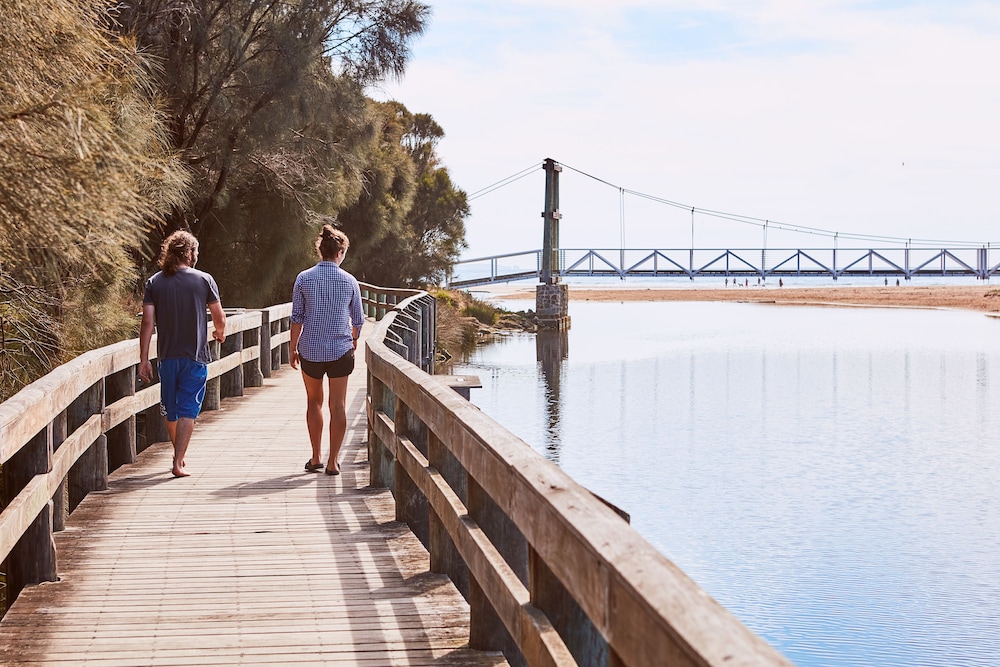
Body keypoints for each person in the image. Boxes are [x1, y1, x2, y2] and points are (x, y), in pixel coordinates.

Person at [138, 231, 226, 478]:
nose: (196, 255)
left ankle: (178, 456)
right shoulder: (204, 280)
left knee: (171, 410)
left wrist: (144, 359)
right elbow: (219, 318)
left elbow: (147, 322)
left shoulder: (154, 282)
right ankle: (179, 459)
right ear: (188, 253)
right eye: (195, 251)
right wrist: (220, 333)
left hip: (166, 357)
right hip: (195, 355)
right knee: (188, 410)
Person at [289, 225, 364, 476]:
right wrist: (353, 340)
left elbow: (297, 317)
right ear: (340, 252)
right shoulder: (350, 281)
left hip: (309, 349)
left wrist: (292, 349)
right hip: (340, 351)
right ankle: (333, 462)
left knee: (314, 401)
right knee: (338, 405)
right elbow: (359, 320)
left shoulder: (303, 278)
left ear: (320, 251)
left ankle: (315, 457)